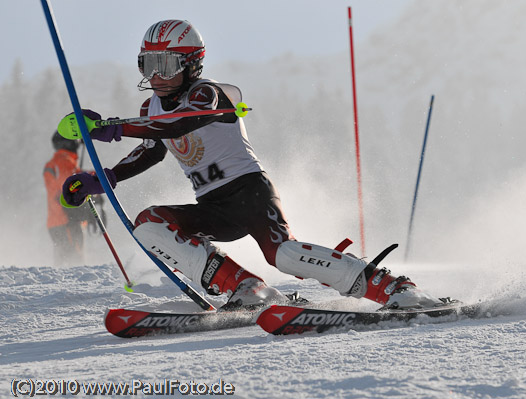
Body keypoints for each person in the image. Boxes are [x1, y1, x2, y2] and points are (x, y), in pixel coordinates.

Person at [61, 20, 442, 310]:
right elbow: (152, 148)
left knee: (284, 255)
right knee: (149, 224)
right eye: (148, 64)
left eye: (166, 64)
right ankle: (248, 289)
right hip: (213, 205)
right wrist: (102, 178)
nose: (156, 76)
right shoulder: (151, 108)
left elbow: (180, 125)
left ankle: (392, 288)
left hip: (249, 191)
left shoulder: (206, 93)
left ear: (192, 64)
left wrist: (110, 127)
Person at [44, 131, 92, 265]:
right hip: (68, 220)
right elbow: (70, 187)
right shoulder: (64, 162)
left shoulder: (57, 162)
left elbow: (75, 180)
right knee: (74, 264)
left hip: (58, 220)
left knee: (63, 263)